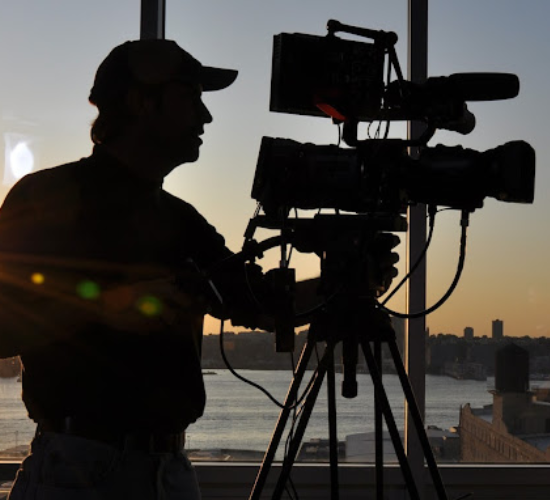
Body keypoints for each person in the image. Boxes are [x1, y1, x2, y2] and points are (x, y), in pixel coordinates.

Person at [0, 39, 399, 499]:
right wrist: (99, 307)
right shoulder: (42, 199)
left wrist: (341, 285)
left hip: (167, 474)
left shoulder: (180, 219)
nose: (205, 117)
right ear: (140, 102)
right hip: (79, 474)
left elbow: (260, 303)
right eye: (190, 97)